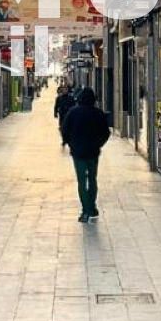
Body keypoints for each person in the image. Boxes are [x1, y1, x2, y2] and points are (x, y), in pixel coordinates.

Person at [62, 87, 111, 222]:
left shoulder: (73, 113)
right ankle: (92, 207)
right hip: (93, 152)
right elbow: (106, 133)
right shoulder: (98, 113)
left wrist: (71, 144)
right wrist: (98, 144)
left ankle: (85, 210)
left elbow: (65, 130)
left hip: (78, 153)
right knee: (92, 179)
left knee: (82, 181)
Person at [54, 83, 76, 149]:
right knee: (62, 128)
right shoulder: (59, 98)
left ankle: (69, 140)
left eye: (66, 89)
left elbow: (74, 106)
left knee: (69, 128)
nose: (65, 91)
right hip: (62, 115)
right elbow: (56, 106)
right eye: (63, 89)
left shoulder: (71, 98)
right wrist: (55, 113)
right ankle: (64, 139)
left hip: (69, 115)